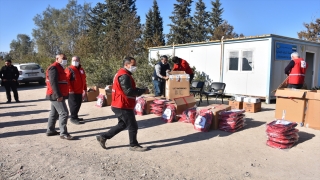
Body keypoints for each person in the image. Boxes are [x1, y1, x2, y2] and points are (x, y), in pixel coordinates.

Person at [96, 57, 149, 152]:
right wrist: (143, 91)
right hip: (122, 105)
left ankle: (103, 137)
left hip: (121, 104)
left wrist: (140, 90)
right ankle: (133, 145)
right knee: (133, 125)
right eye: (133, 65)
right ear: (126, 65)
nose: (135, 67)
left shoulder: (123, 74)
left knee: (122, 124)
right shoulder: (124, 75)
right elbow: (128, 91)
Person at [45, 53, 74, 140]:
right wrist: (58, 95)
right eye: (62, 58)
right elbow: (53, 83)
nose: (64, 60)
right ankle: (63, 133)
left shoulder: (60, 68)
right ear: (57, 58)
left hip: (58, 94)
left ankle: (50, 130)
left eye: (65, 58)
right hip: (56, 95)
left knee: (54, 113)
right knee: (64, 113)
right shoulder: (54, 68)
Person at [65, 56, 87, 125]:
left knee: (78, 104)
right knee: (73, 105)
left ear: (79, 61)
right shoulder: (69, 69)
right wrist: (70, 89)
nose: (75, 61)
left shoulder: (81, 70)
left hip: (80, 91)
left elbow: (84, 80)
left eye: (76, 60)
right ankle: (73, 118)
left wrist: (85, 90)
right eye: (73, 60)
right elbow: (67, 80)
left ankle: (75, 116)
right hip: (72, 92)